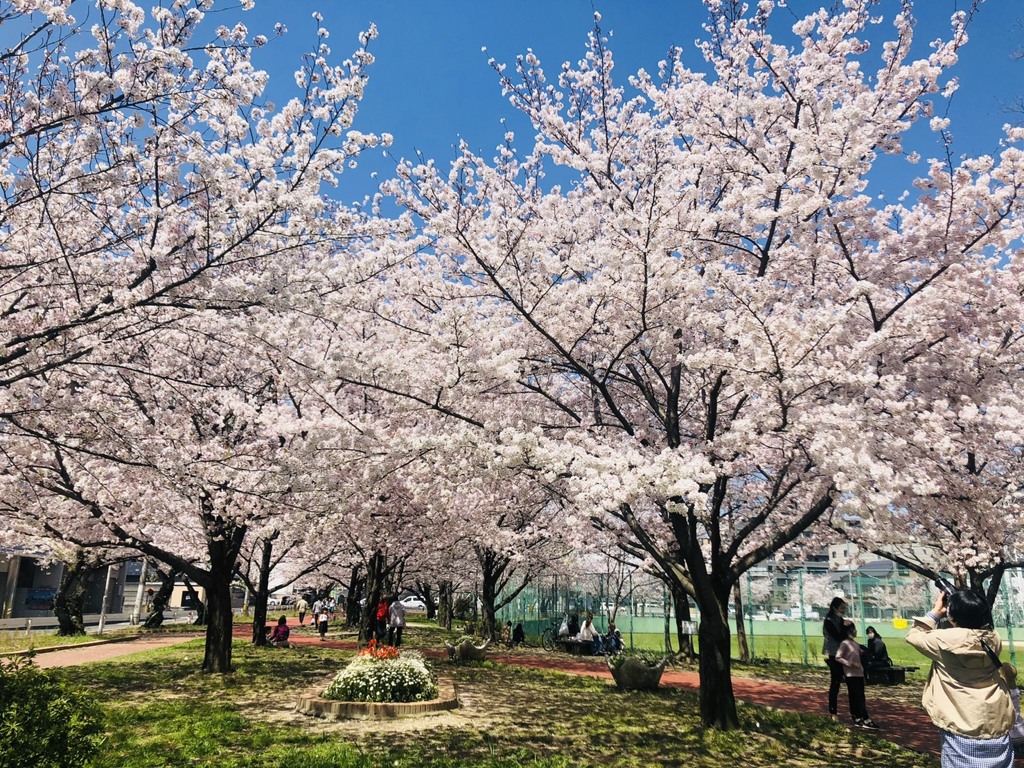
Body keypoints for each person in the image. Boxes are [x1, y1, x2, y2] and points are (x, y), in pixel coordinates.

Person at [907, 588, 1016, 767]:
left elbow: (914, 635)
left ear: (951, 616)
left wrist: (935, 613)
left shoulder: (942, 641)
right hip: (995, 720)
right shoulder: (993, 638)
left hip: (960, 721)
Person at [834, 623, 879, 729]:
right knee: (858, 697)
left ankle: (858, 717)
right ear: (849, 631)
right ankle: (865, 719)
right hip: (851, 674)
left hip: (859, 673)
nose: (855, 631)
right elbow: (838, 657)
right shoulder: (845, 643)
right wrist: (850, 663)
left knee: (859, 696)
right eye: (853, 629)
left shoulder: (854, 643)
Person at [822, 596, 850, 720]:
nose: (844, 610)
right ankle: (833, 711)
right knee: (835, 682)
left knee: (850, 682)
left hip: (844, 653)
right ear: (835, 608)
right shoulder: (828, 621)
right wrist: (846, 628)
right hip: (834, 654)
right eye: (842, 608)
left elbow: (846, 635)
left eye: (845, 608)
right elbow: (838, 636)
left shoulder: (841, 620)